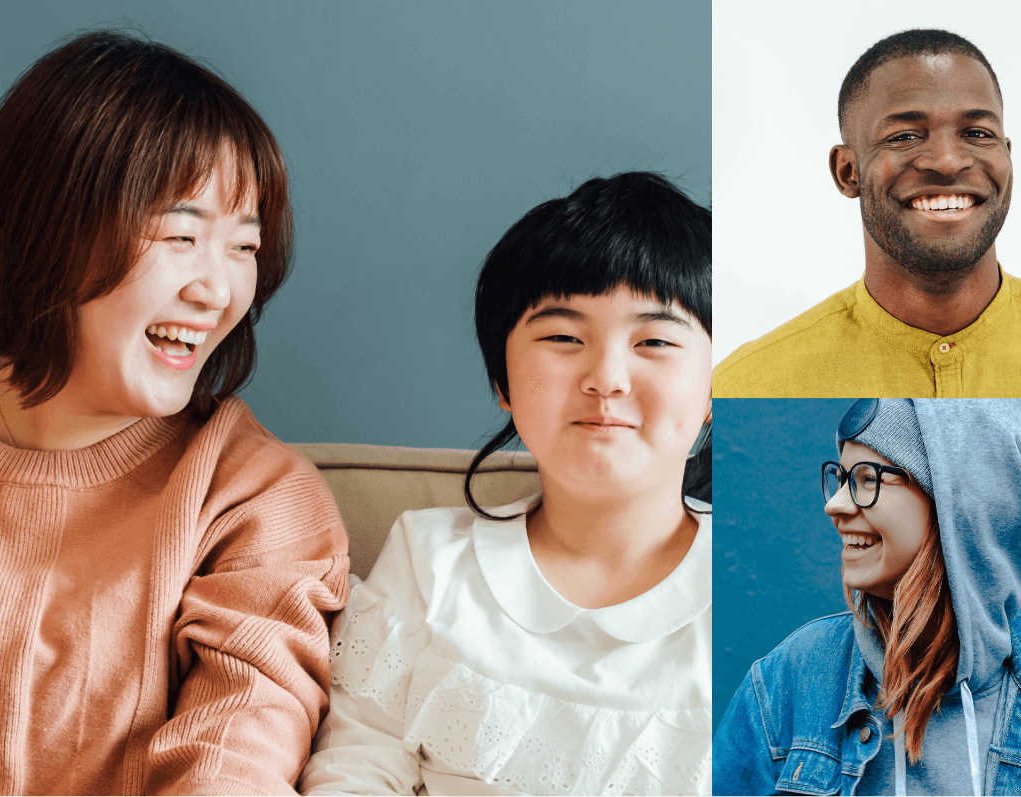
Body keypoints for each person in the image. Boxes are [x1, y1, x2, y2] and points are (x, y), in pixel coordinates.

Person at [0, 32, 349, 795]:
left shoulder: (255, 496)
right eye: (181, 236)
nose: (217, 292)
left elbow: (239, 745)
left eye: (242, 247)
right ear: (47, 228)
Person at [300, 172, 713, 796]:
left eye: (653, 340)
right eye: (563, 338)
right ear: (503, 381)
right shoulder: (429, 561)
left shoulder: (760, 596)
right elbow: (357, 768)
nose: (608, 378)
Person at [712, 399, 1021, 795]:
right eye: (841, 477)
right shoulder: (788, 682)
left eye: (867, 478)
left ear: (964, 506)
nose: (836, 505)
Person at [713, 29, 1021, 398]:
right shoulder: (744, 389)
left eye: (977, 133)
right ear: (848, 172)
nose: (946, 161)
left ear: (1007, 157)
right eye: (905, 136)